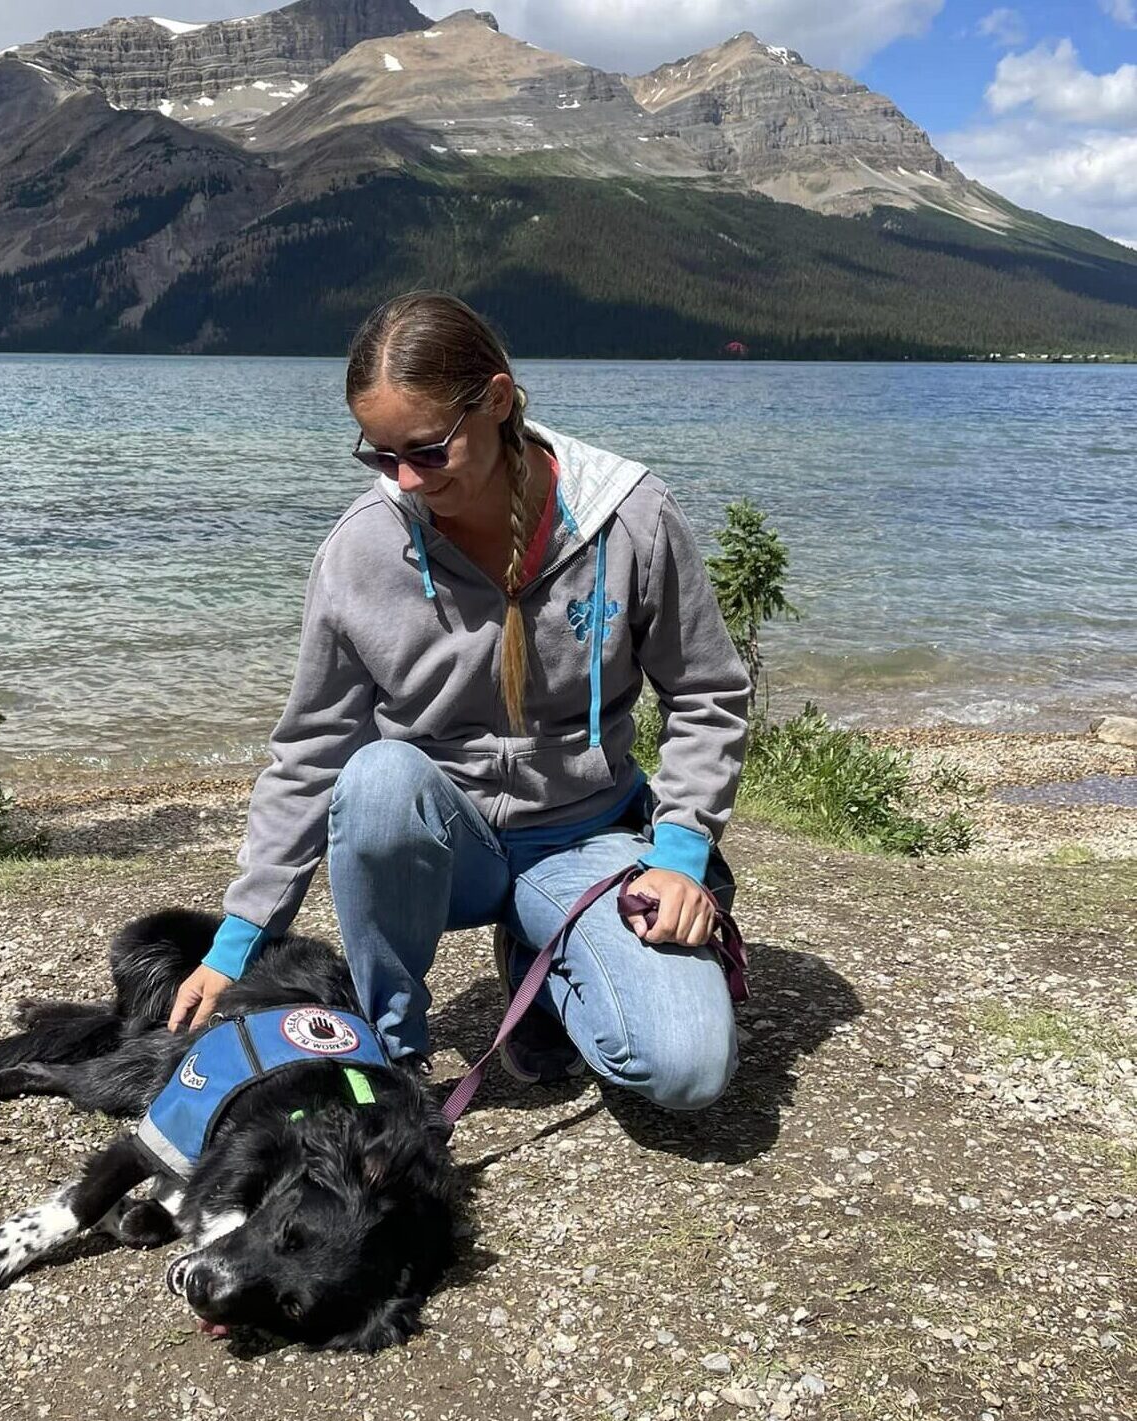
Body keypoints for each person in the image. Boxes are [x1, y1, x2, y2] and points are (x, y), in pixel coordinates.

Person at [169, 291, 751, 1111]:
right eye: (380, 456)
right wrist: (237, 944)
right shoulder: (361, 550)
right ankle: (393, 1056)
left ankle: (539, 962)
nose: (405, 480)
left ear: (499, 400)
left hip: (587, 838)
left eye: (427, 451)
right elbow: (310, 753)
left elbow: (706, 691)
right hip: (441, 851)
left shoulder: (631, 520)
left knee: (686, 1070)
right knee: (374, 778)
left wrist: (681, 855)